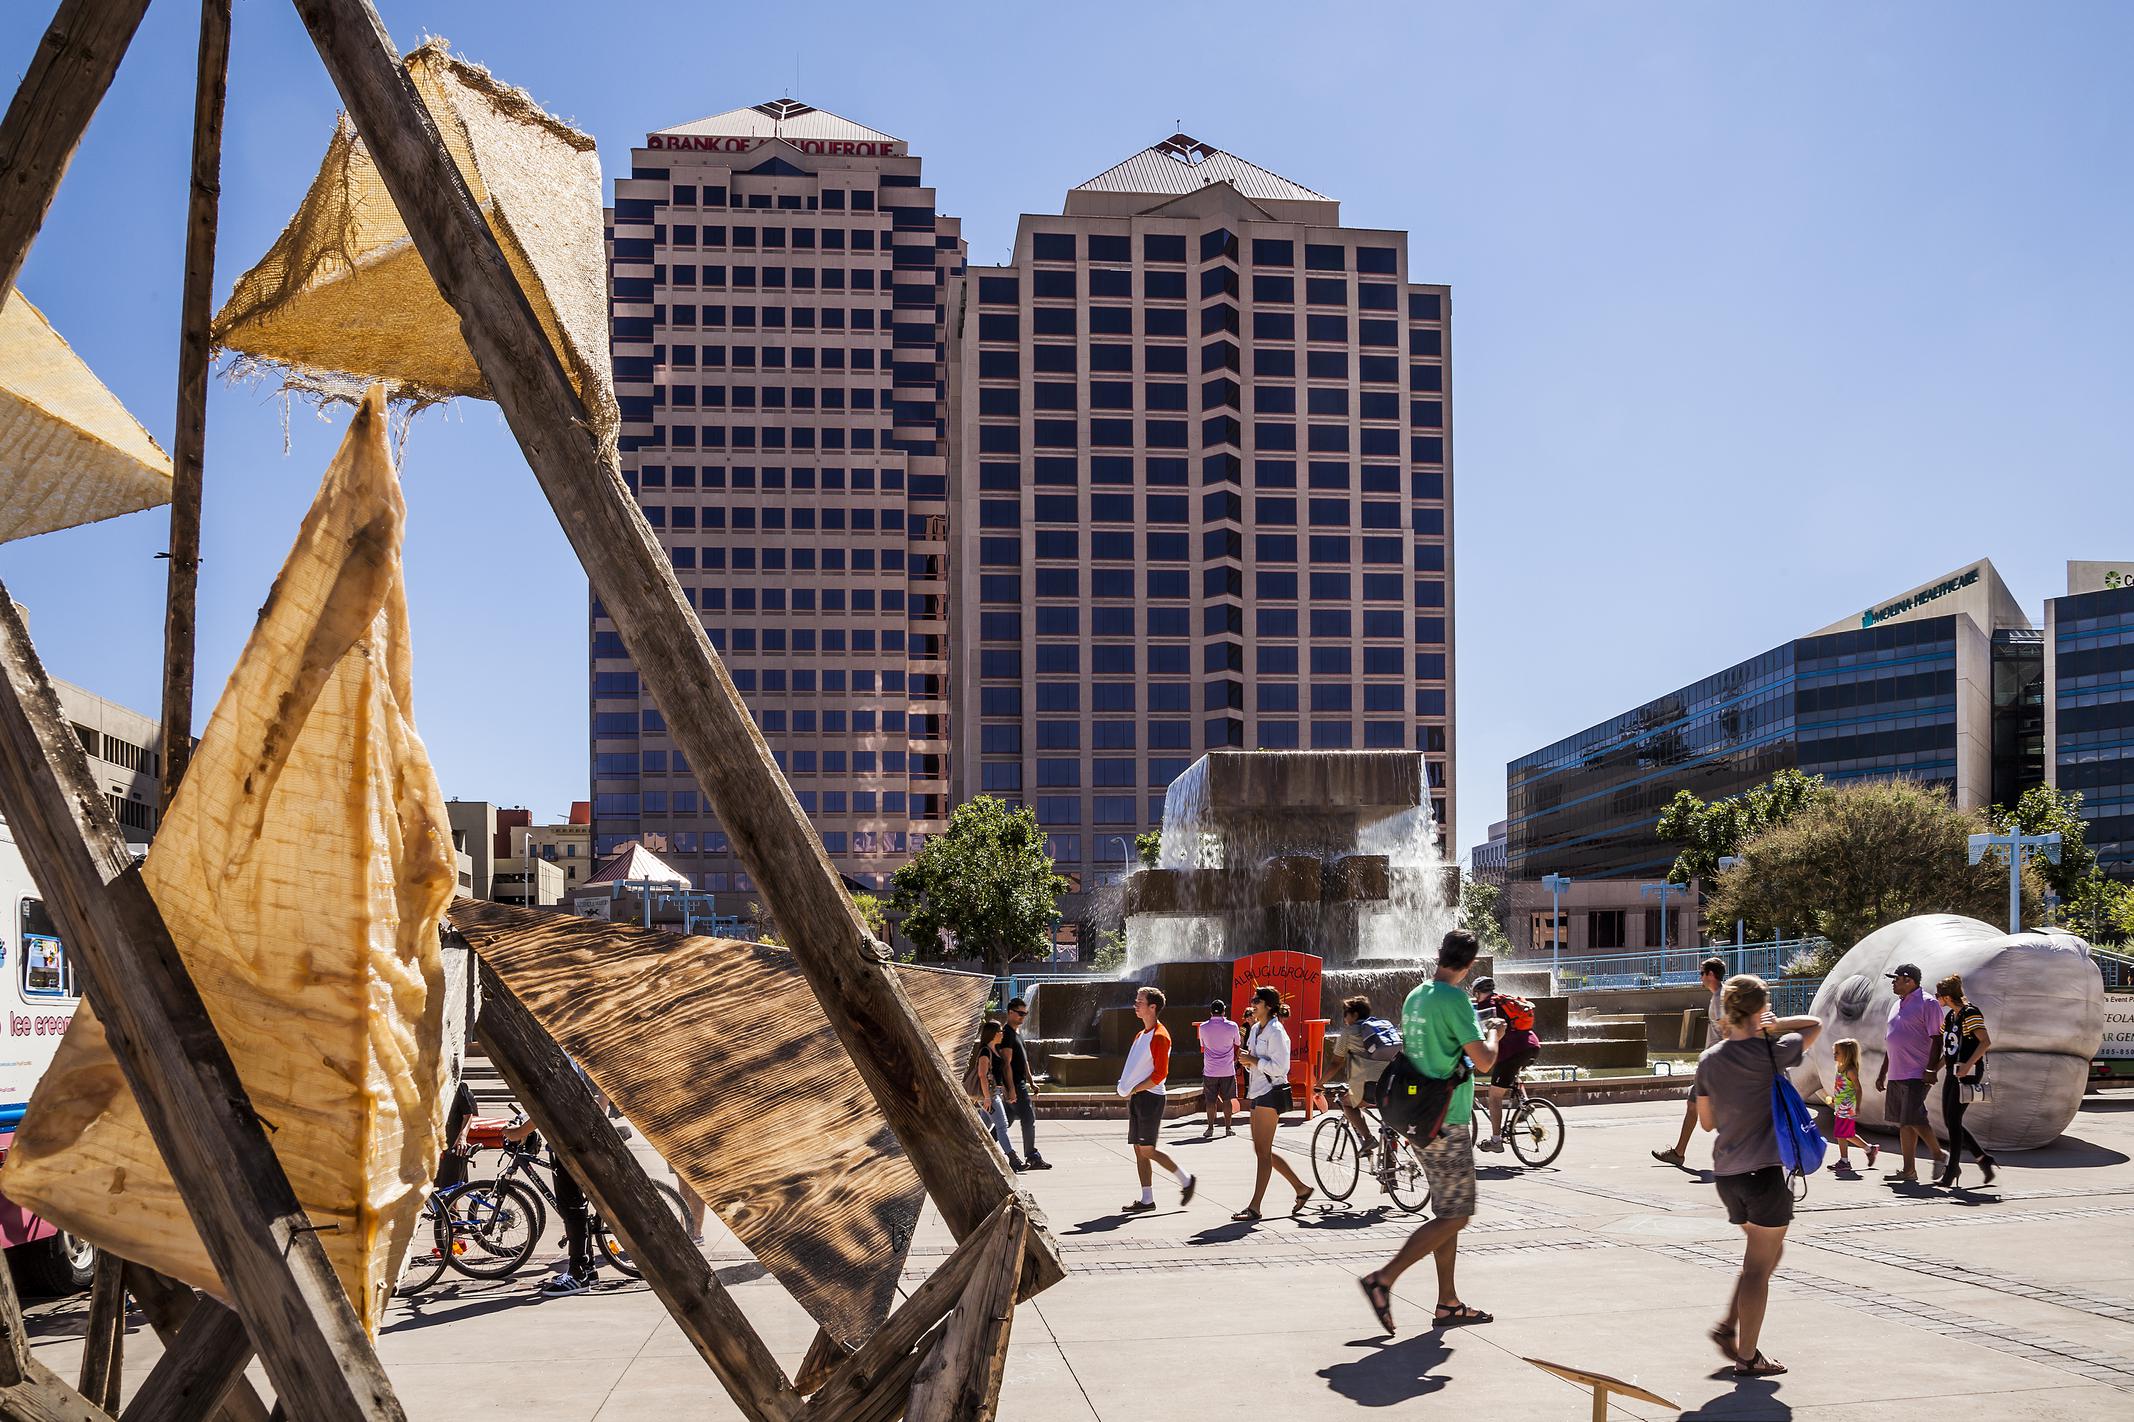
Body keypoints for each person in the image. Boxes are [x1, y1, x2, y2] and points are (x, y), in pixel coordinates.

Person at [1357, 929, 1501, 1334]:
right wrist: (1495, 1033)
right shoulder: (1456, 999)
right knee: (1458, 1215)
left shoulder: (1416, 995)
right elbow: (1485, 1061)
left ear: (1441, 955)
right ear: (1470, 965)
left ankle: (1447, 1303)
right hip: (1447, 1118)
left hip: (1417, 1115)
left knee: (1447, 1212)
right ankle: (1383, 1280)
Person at [1695, 973, 1822, 1378]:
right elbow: (1814, 1025)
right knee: (1757, 1268)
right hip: (1765, 1171)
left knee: (1764, 1255)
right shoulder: (1773, 1050)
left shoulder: (1709, 1059)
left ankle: (1729, 1326)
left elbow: (1707, 1122)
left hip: (1727, 1174)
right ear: (1760, 1008)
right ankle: (1747, 1357)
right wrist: (1774, 1025)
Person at [1233, 985, 1313, 1220]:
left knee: (1263, 1152)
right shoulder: (1256, 1028)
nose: (1252, 1004)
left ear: (1268, 1006)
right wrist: (1249, 1062)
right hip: (1257, 1091)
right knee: (1261, 1150)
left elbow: (1281, 1068)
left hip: (1271, 1090)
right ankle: (1301, 1188)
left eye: (1256, 1000)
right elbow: (1256, 1060)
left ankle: (1255, 1206)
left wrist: (1254, 1060)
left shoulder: (1277, 1032)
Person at [1120, 987, 1194, 1213]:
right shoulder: (1140, 1035)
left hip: (1151, 1098)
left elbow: (1160, 1075)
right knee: (1138, 1149)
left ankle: (1186, 1180)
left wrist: (1135, 1088)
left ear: (1152, 1007)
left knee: (1147, 1150)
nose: (1135, 1004)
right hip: (1139, 1096)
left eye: (1139, 1001)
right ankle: (1146, 1199)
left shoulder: (1160, 1037)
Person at [1653, 956, 1730, 1166]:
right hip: (1713, 1065)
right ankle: (1679, 1152)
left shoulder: (1719, 1000)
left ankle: (1737, 1151)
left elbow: (1727, 1034)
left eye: (1702, 973)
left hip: (1714, 1067)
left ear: (1710, 975)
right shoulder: (1720, 996)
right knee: (1693, 1106)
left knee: (1712, 1111)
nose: (1700, 977)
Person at [1875, 961, 1945, 1184]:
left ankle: (1938, 1154)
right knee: (1905, 1123)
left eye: (1896, 979)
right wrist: (1882, 1072)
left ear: (1909, 980)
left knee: (1914, 1117)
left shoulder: (1928, 1003)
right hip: (1896, 1072)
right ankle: (1909, 1171)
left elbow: (1937, 1038)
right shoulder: (1897, 1004)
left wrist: (1930, 1069)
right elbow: (1892, 1040)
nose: (1893, 983)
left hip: (1917, 1071)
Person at [1933, 974, 1996, 1188]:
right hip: (1953, 1071)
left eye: (1938, 995)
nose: (1936, 998)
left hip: (1967, 1072)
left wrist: (1968, 1065)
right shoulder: (1951, 1016)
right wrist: (1934, 1069)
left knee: (1953, 1120)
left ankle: (1951, 1170)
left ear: (1948, 997)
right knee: (1950, 1120)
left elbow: (1985, 1041)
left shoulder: (1970, 1013)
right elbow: (1948, 1050)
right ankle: (1983, 1158)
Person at [1469, 976, 1541, 1153]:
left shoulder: (1487, 1006)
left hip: (1512, 1051)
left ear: (1477, 992)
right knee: (1513, 1073)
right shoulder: (1503, 1000)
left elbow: (1483, 1035)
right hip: (1532, 1046)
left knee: (1494, 1095)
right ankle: (1524, 1102)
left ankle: (1496, 1140)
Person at [1331, 995, 1397, 1176]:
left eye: (1345, 1014)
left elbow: (1336, 1063)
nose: (1344, 1019)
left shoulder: (1349, 1032)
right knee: (1388, 1126)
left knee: (1346, 1103)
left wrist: (1320, 1083)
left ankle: (1368, 1139)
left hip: (1369, 1089)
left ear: (1353, 1014)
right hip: (1392, 1086)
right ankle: (1391, 1173)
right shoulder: (1382, 1027)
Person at [998, 998, 1052, 1170]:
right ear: (1010, 1012)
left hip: (1020, 1083)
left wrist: (1032, 1081)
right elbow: (1006, 1063)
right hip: (1015, 1085)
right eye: (1020, 1013)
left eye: (1025, 1014)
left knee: (1004, 1122)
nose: (1023, 1017)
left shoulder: (1017, 1033)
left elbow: (1024, 1061)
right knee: (1028, 1118)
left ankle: (985, 1149)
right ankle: (1032, 1156)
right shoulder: (1006, 1034)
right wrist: (1011, 1089)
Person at [966, 1020, 1023, 1169]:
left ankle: (971, 1154)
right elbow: (982, 1075)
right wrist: (986, 1098)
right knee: (1002, 1125)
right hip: (989, 1096)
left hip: (994, 1093)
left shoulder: (994, 1049)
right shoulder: (985, 1051)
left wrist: (1006, 1092)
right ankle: (1013, 1159)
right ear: (993, 1034)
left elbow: (996, 1077)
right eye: (1000, 1031)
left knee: (985, 1126)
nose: (1002, 1034)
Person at [1826, 1038, 1878, 1174]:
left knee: (1840, 1133)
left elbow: (1858, 1089)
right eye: (1834, 1052)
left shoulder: (1850, 1070)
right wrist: (1834, 1099)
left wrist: (1858, 1106)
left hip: (1847, 1107)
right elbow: (1841, 1088)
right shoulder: (1840, 1068)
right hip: (1840, 1105)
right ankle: (1869, 1149)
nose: (1834, 1054)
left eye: (1837, 1052)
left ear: (1847, 1054)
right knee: (1847, 1134)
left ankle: (1844, 1161)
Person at [1197, 999, 1242, 1137]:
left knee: (1210, 1100)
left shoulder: (1203, 1027)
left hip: (1210, 1070)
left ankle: (1210, 1128)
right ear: (1224, 1011)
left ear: (1211, 1011)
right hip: (1227, 1069)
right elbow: (1238, 1043)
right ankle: (1228, 1128)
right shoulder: (1233, 1026)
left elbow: (1203, 1046)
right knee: (1227, 1100)